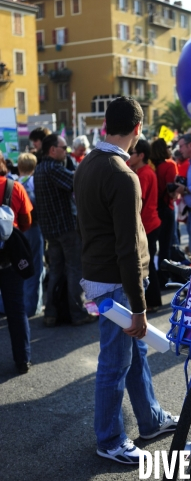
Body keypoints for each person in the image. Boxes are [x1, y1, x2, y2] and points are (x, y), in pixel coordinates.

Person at [74, 96, 178, 464]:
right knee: (115, 364)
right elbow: (128, 249)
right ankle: (111, 439)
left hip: (98, 276)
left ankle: (149, 420)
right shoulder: (122, 174)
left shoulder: (86, 164)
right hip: (116, 283)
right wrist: (139, 308)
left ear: (106, 124)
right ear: (137, 129)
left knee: (134, 355)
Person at [34, 133, 95, 326]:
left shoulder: (40, 168)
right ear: (53, 150)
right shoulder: (53, 168)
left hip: (50, 230)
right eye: (63, 148)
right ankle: (77, 314)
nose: (66, 151)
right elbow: (79, 181)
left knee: (56, 271)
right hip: (66, 229)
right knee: (74, 270)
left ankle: (51, 313)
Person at [0, 151, 33, 374]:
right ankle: (22, 359)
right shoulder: (15, 187)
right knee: (16, 309)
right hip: (9, 258)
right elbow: (26, 222)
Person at [128, 140, 162, 311]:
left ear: (141, 155)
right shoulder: (143, 171)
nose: (128, 156)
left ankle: (153, 301)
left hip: (147, 225)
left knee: (146, 267)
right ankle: (153, 301)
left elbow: (137, 201)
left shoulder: (143, 174)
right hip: (149, 223)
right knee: (146, 266)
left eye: (131, 152)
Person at [17, 152, 46, 317]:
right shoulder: (35, 182)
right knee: (35, 265)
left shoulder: (14, 183)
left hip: (17, 230)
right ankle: (33, 306)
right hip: (34, 228)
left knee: (19, 266)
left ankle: (20, 302)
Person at [150, 138, 178, 289]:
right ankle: (164, 279)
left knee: (154, 247)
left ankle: (157, 278)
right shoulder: (170, 165)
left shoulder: (151, 166)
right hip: (167, 208)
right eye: (168, 146)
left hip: (154, 208)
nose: (170, 148)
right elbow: (171, 191)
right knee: (166, 246)